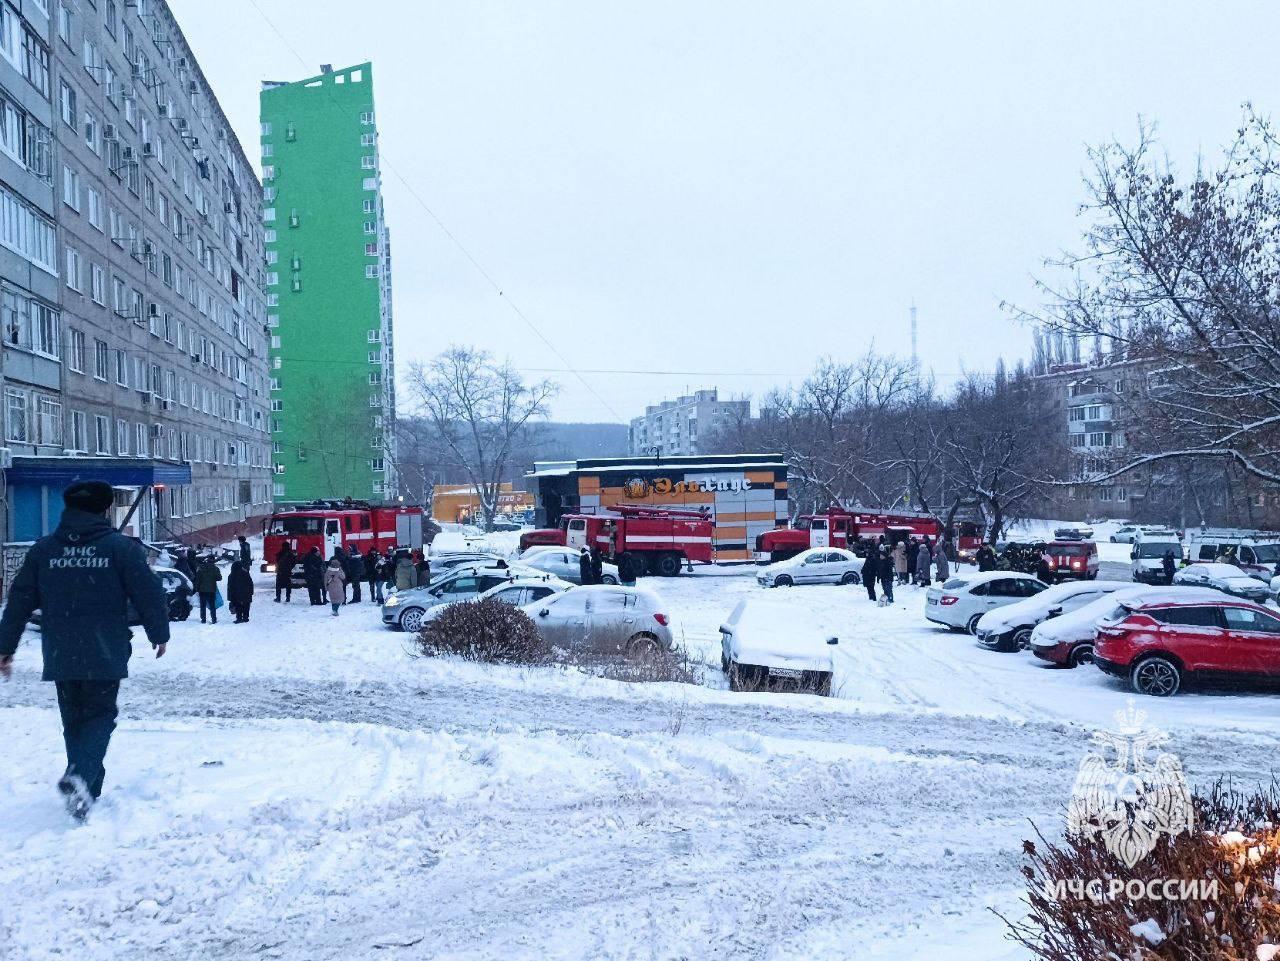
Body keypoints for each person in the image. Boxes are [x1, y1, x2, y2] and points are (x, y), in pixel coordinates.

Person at [0, 481, 168, 821]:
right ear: (104, 510)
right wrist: (158, 632)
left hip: (61, 650)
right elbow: (148, 593)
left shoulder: (44, 550)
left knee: (75, 721)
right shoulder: (120, 548)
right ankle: (80, 776)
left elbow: (18, 601)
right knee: (100, 715)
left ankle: (86, 790)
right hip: (105, 648)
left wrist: (6, 647)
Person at [193, 554, 222, 624]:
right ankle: (214, 619)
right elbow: (219, 578)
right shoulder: (215, 568)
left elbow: (197, 579)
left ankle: (203, 619)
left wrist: (196, 589)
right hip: (212, 590)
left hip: (202, 590)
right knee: (212, 605)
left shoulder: (201, 567)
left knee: (203, 605)